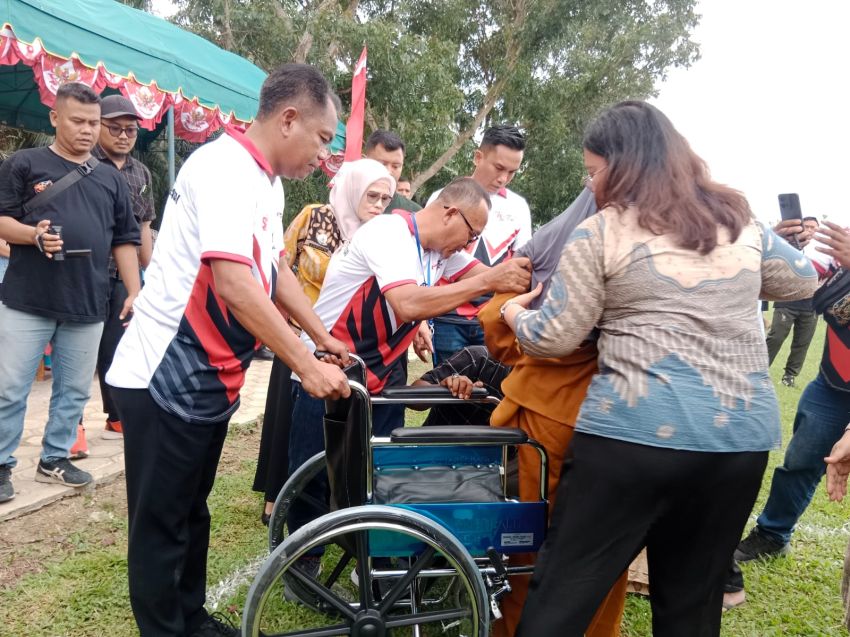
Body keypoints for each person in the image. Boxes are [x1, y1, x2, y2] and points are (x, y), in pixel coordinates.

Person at [497, 101, 817, 636]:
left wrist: (511, 312)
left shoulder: (602, 232)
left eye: (594, 171)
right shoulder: (739, 222)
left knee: (563, 597)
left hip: (630, 441)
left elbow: (554, 337)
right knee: (691, 605)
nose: (591, 183)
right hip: (736, 443)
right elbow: (802, 280)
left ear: (620, 167)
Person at [104, 63, 351, 637]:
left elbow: (273, 269)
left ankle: (189, 617)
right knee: (161, 521)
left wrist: (321, 335)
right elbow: (236, 285)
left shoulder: (268, 182)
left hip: (209, 380)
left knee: (193, 509)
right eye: (321, 138)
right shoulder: (223, 167)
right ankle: (166, 628)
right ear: (288, 119)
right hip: (164, 376)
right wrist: (304, 364)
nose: (324, 154)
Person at [284, 177, 532, 574]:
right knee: (317, 476)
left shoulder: (440, 254)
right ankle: (301, 566)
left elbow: (490, 276)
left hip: (376, 381)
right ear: (450, 212)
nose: (468, 246)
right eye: (471, 234)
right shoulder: (390, 232)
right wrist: (488, 280)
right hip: (329, 372)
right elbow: (409, 303)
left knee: (377, 477)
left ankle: (377, 558)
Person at [478, 187, 628, 637]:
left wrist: (508, 308)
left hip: (552, 416)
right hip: (630, 422)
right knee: (605, 546)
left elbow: (509, 340)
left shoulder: (566, 250)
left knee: (533, 545)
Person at [0, 82, 140, 503]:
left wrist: (134, 291)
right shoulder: (23, 164)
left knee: (75, 388)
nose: (85, 130)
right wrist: (32, 235)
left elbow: (125, 239)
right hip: (27, 298)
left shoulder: (111, 180)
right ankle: (2, 463)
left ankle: (54, 458)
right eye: (77, 120)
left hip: (88, 300)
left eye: (92, 123)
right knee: (9, 385)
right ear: (55, 117)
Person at [252, 157, 395, 524]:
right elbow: (279, 263)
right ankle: (277, 498)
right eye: (372, 195)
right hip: (299, 332)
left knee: (329, 428)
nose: (378, 205)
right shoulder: (315, 215)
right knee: (290, 421)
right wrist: (282, 324)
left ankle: (332, 508)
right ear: (353, 190)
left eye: (384, 198)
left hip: (341, 345)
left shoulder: (383, 239)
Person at [735, 217, 850, 565]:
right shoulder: (836, 246)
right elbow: (774, 284)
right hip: (835, 384)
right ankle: (773, 534)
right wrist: (777, 249)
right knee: (800, 459)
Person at [67, 94, 156, 460]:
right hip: (82, 273)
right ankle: (72, 425)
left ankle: (116, 416)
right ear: (96, 125)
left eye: (130, 130)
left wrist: (149, 274)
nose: (123, 136)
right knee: (77, 351)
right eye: (114, 128)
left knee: (118, 347)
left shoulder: (141, 173)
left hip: (124, 276)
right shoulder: (81, 164)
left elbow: (144, 226)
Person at [428, 125, 532, 364]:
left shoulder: (518, 207)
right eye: (498, 168)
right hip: (447, 316)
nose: (503, 178)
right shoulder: (443, 197)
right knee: (446, 392)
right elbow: (426, 258)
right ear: (478, 157)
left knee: (489, 395)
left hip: (493, 318)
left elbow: (520, 266)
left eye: (512, 172)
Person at [765, 215, 821, 387]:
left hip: (811, 305)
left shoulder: (822, 252)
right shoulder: (789, 246)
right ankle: (761, 370)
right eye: (808, 226)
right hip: (787, 302)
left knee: (802, 343)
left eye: (814, 228)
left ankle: (789, 376)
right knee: (776, 336)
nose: (810, 230)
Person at [364, 130, 421, 213]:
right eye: (382, 164)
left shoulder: (414, 214)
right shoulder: (343, 201)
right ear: (364, 161)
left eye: (395, 166)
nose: (389, 172)